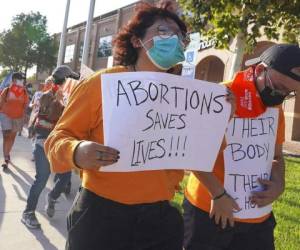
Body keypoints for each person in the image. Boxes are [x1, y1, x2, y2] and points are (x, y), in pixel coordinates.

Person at [44, 3, 191, 249]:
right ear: (136, 41)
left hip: (160, 220)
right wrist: (77, 151)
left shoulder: (186, 96)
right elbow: (58, 138)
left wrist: (221, 111)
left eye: (180, 37)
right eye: (164, 32)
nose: (174, 40)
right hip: (102, 215)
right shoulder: (102, 83)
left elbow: (200, 146)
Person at [183, 44, 300, 250]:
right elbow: (192, 152)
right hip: (209, 208)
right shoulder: (220, 94)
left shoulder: (275, 109)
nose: (280, 96)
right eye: (279, 87)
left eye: (289, 93)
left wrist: (279, 183)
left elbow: (277, 157)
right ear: (261, 70)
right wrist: (218, 195)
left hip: (256, 216)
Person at [21, 65, 79, 229]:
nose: (72, 83)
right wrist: (59, 102)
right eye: (70, 80)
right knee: (42, 178)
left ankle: (52, 197)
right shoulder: (47, 97)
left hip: (61, 145)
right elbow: (46, 118)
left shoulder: (70, 99)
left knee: (65, 178)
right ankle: (28, 213)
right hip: (44, 143)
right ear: (63, 81)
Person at [0, 72, 29, 170]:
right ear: (13, 80)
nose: (20, 81)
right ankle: (6, 158)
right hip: (5, 116)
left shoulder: (24, 92)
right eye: (18, 79)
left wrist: (25, 116)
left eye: (21, 79)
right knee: (6, 136)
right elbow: (0, 103)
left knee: (12, 138)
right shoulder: (7, 90)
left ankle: (8, 153)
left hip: (18, 117)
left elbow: (25, 105)